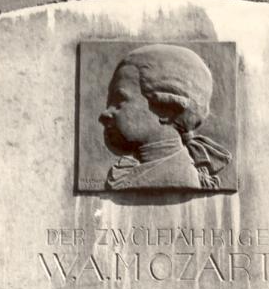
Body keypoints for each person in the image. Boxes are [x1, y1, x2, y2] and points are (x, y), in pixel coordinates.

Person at [99, 44, 231, 190]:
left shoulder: (178, 176)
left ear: (166, 110)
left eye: (119, 101)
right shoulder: (134, 170)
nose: (104, 114)